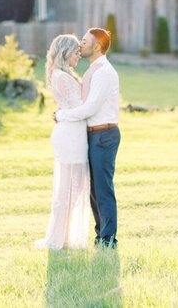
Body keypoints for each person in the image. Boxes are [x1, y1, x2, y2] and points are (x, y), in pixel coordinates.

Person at [54, 27, 121, 248]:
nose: (80, 45)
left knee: (102, 189)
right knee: (94, 190)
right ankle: (100, 235)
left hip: (104, 134)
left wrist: (62, 115)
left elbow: (90, 108)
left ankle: (108, 239)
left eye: (85, 41)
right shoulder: (94, 69)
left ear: (97, 46)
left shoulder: (103, 72)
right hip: (93, 135)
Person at [36, 34, 91, 250]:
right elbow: (79, 109)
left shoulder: (62, 74)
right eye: (76, 52)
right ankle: (61, 238)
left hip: (72, 132)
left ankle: (66, 235)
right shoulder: (61, 76)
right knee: (67, 187)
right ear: (66, 52)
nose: (79, 55)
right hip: (70, 135)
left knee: (73, 188)